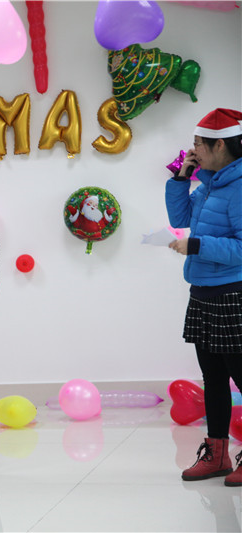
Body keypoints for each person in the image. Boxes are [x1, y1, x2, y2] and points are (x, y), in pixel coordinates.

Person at [166, 108, 242, 487]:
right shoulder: (209, 183)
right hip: (202, 292)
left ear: (220, 145)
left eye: (198, 143)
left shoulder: (239, 186)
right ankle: (217, 454)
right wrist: (183, 177)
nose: (192, 149)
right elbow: (179, 218)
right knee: (213, 379)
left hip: (233, 294)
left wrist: (196, 245)